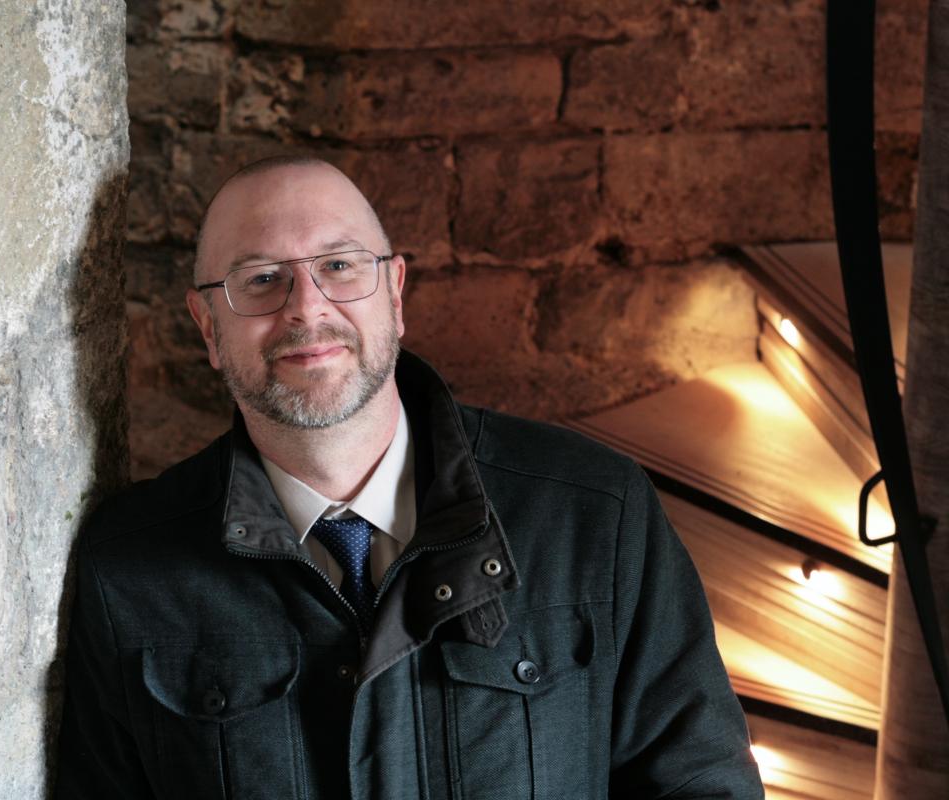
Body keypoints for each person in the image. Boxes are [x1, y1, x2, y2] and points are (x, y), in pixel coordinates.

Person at [55, 156, 764, 799]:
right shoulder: (130, 571)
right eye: (262, 280)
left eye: (339, 266)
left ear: (395, 292)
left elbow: (702, 786)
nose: (306, 307)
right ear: (209, 327)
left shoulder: (593, 515)